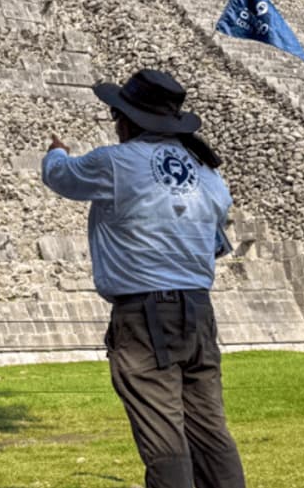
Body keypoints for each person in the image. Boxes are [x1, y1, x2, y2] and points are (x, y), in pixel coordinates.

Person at [41, 69, 246, 488]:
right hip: (198, 307)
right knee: (211, 435)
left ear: (130, 120)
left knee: (164, 442)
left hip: (145, 312)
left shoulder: (116, 162)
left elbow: (60, 178)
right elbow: (213, 236)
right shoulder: (208, 174)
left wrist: (56, 153)